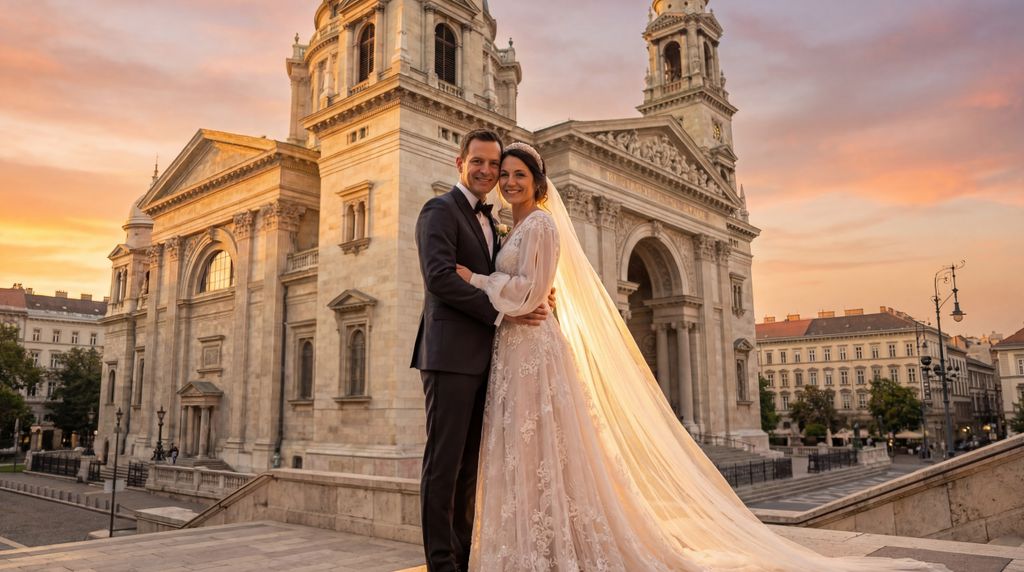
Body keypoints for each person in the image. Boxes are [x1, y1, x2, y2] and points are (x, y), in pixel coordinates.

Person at [457, 142, 948, 571]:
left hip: (531, 344)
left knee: (543, 446)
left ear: (537, 181)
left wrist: (478, 280)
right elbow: (532, 289)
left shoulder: (541, 224)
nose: (508, 181)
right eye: (504, 174)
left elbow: (533, 289)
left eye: (519, 174)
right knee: (531, 448)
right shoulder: (509, 225)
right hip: (517, 347)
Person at [410, 129, 553, 572]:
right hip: (450, 357)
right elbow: (439, 278)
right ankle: (440, 563)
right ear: (460, 163)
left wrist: (533, 296)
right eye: (480, 162)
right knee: (443, 464)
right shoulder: (439, 209)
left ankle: (462, 555)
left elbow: (509, 277)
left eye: (495, 165)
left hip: (488, 360)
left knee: (470, 467)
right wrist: (504, 313)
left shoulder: (494, 221)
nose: (489, 172)